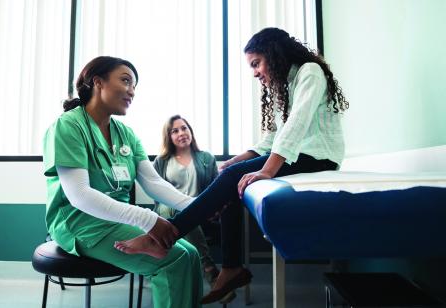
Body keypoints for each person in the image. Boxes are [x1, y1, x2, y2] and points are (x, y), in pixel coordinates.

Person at [115, 27, 349, 304]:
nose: (255, 73)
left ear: (274, 55)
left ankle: (165, 236)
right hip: (297, 155)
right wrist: (237, 161)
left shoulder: (309, 71)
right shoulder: (282, 88)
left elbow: (295, 127)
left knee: (239, 175)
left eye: (256, 63)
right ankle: (232, 267)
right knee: (234, 178)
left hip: (318, 157)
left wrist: (267, 169)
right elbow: (271, 138)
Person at [42, 56, 203, 308]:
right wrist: (148, 220)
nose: (132, 92)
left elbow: (153, 183)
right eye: (126, 81)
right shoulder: (68, 126)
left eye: (134, 86)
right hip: (81, 224)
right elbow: (79, 195)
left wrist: (197, 206)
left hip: (117, 220)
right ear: (98, 82)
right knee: (175, 259)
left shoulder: (125, 133)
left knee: (191, 254)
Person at [153, 115, 236, 303]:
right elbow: (157, 195)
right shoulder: (161, 161)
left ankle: (203, 274)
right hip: (168, 215)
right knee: (171, 207)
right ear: (169, 136)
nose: (181, 133)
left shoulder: (206, 158)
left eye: (184, 128)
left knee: (187, 213)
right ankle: (210, 270)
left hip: (200, 214)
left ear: (190, 131)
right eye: (175, 131)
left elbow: (216, 191)